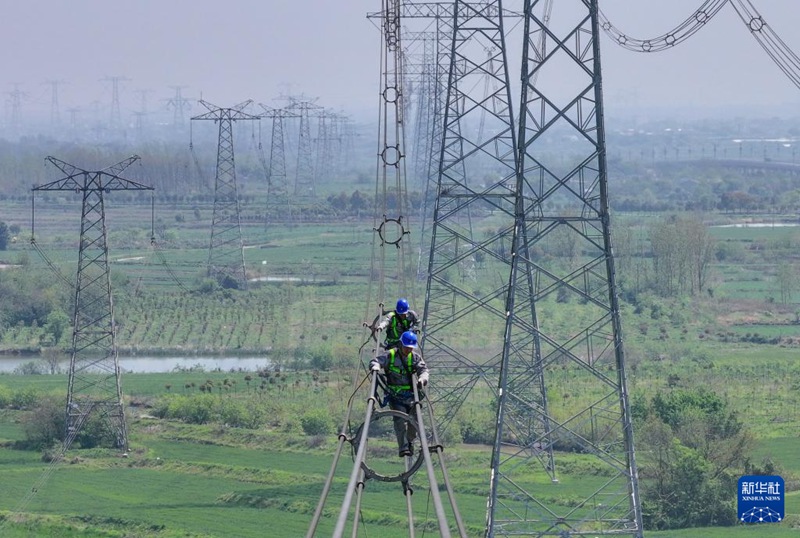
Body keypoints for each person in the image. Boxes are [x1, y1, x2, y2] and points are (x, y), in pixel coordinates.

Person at [369, 330, 429, 458]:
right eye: (407, 347)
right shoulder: (390, 355)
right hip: (395, 396)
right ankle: (403, 447)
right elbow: (375, 361)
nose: (408, 350)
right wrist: (375, 367)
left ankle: (410, 441)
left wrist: (422, 379)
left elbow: (423, 370)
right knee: (400, 420)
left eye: (411, 348)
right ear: (401, 344)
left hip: (411, 396)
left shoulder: (415, 357)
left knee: (415, 421)